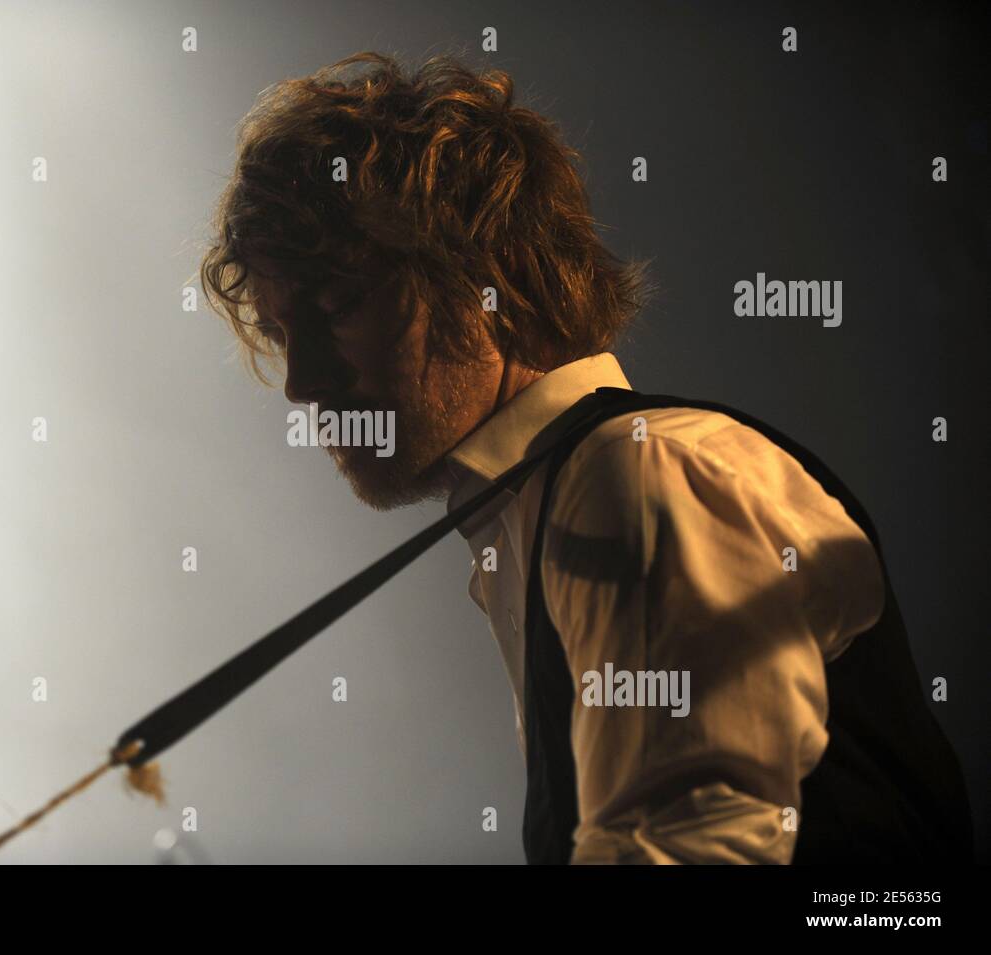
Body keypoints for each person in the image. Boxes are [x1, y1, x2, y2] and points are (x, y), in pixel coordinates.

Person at [198, 51, 973, 863]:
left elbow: (693, 850)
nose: (302, 381)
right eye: (285, 332)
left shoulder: (640, 473)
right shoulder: (542, 512)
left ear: (489, 281)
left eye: (339, 305)